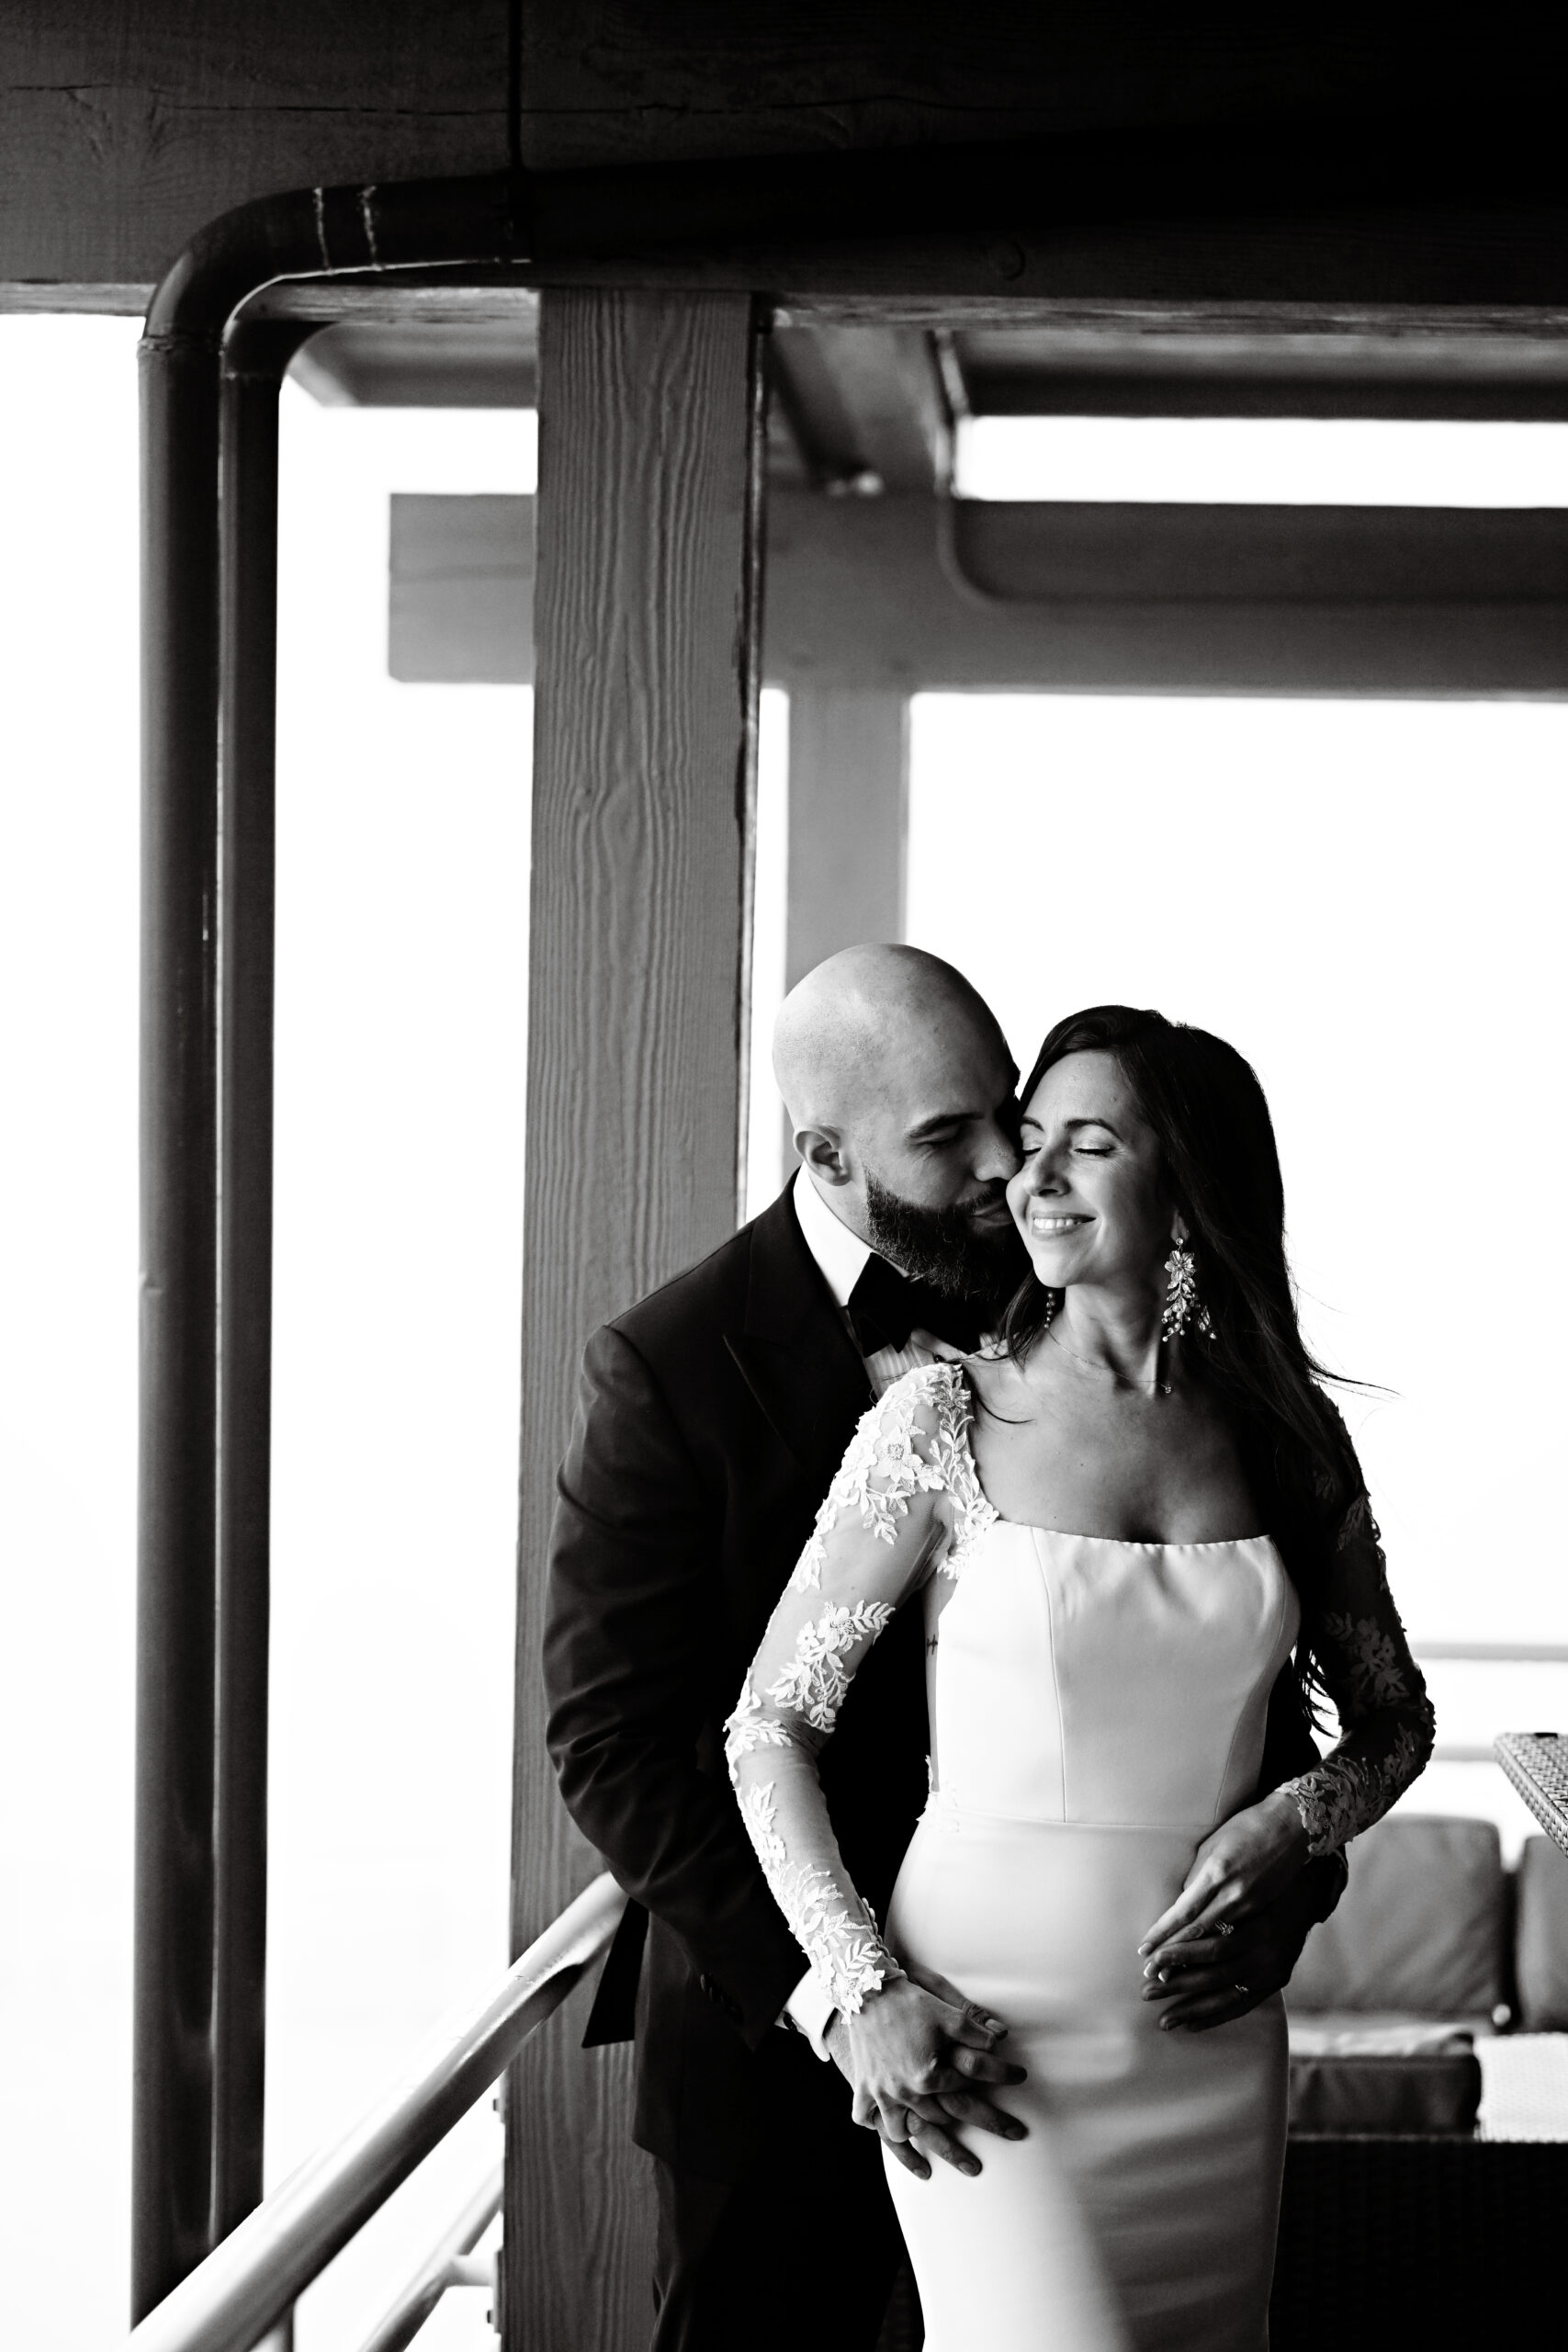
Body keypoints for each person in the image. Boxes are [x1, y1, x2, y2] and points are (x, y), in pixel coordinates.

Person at [545, 956, 1349, 2352]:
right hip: (779, 2052)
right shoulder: (667, 1364)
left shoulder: (1079, 1275)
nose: (1001, 1168)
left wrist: (1294, 1871)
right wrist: (845, 1996)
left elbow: (1226, 1658)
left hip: (1142, 2033)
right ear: (827, 1156)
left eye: (1006, 1115)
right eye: (945, 1137)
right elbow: (613, 1745)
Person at [728, 1001, 1434, 2352]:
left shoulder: (1287, 1433)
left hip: (1208, 2032)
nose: (1031, 1176)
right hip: (986, 2036)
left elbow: (1393, 1720)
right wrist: (861, 1989)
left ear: (1189, 1185)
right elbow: (769, 1726)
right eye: (1031, 1137)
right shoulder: (940, 1418)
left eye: (1088, 1145)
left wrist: (1295, 1825)